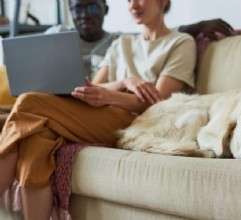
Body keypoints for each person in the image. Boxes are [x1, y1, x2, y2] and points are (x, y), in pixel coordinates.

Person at [0, 0, 199, 219]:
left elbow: (158, 100)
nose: (133, 4)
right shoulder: (121, 44)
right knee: (36, 138)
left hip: (140, 121)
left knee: (29, 102)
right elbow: (94, 87)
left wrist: (111, 96)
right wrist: (125, 81)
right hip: (101, 113)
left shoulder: (181, 42)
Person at [46, 0, 234, 78]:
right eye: (78, 9)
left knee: (31, 110)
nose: (85, 15)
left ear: (105, 10)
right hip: (74, 100)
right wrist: (124, 83)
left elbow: (158, 39)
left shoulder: (117, 40)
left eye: (92, 8)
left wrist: (195, 27)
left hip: (97, 105)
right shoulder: (55, 35)